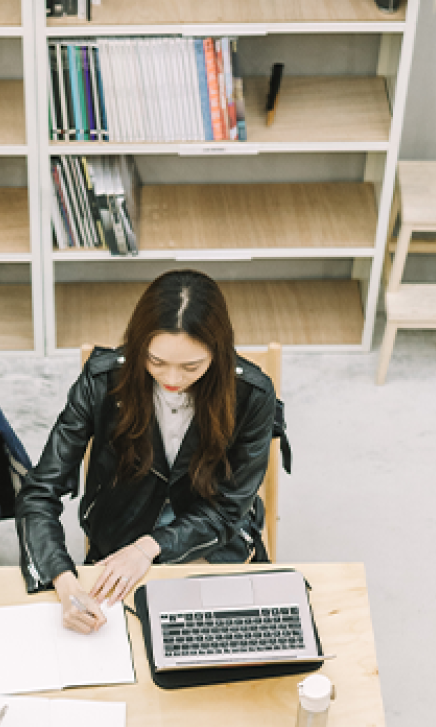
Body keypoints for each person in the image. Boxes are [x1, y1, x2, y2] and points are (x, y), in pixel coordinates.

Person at [16, 269, 280, 633]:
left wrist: (149, 548)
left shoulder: (252, 395)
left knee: (215, 635)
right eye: (156, 362)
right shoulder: (102, 381)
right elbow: (39, 492)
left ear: (217, 353)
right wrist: (64, 582)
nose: (172, 379)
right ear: (139, 345)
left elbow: (229, 510)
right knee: (115, 639)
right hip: (119, 529)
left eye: (191, 366)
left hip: (211, 534)